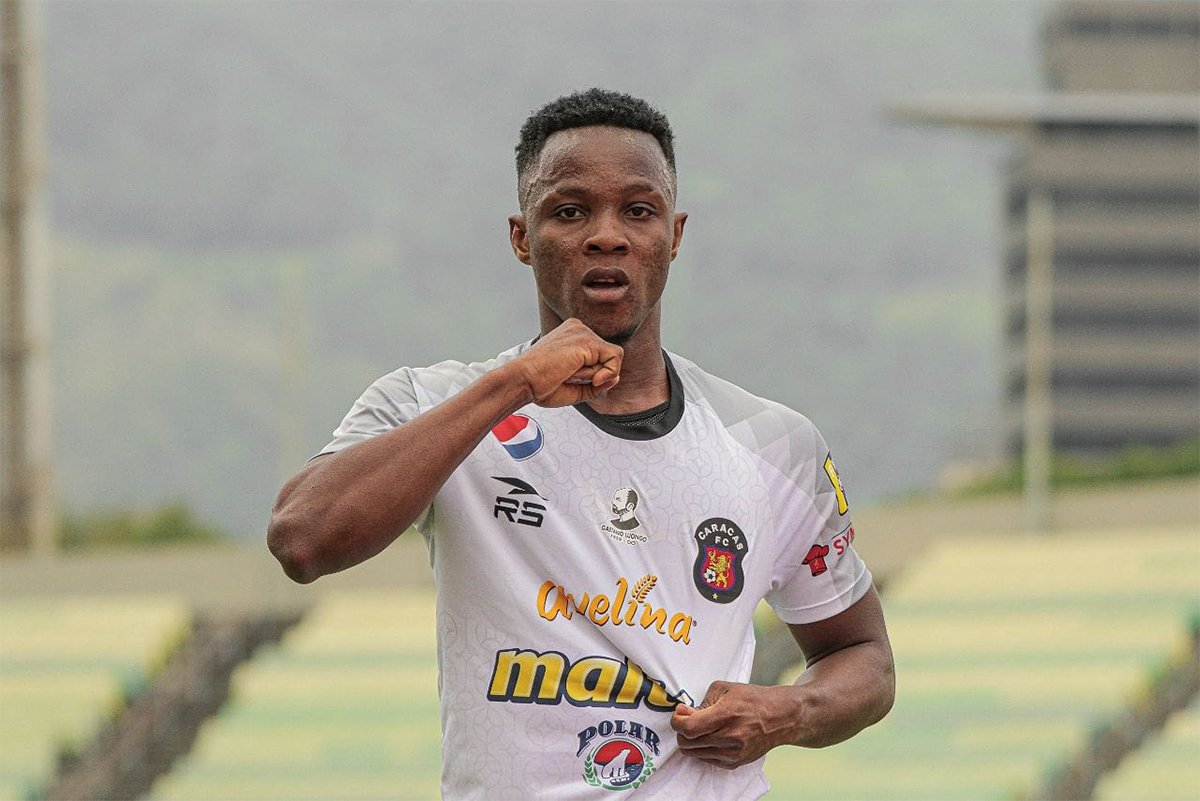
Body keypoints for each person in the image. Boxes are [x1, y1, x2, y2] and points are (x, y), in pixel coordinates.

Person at [268, 88, 894, 799]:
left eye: (639, 210)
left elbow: (863, 655)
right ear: (521, 237)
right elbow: (303, 539)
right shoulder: (434, 404)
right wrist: (512, 385)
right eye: (569, 211)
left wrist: (789, 710)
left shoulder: (772, 444)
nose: (606, 236)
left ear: (674, 235)